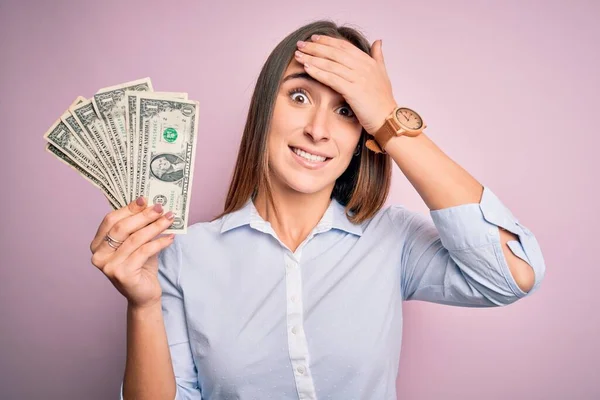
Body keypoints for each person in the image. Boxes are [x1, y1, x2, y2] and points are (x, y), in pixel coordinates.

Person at [89, 20, 546, 400]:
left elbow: (512, 275)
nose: (318, 130)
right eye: (300, 96)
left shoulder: (392, 239)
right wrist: (143, 306)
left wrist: (390, 119)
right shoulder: (183, 254)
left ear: (362, 136)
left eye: (347, 111)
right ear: (265, 108)